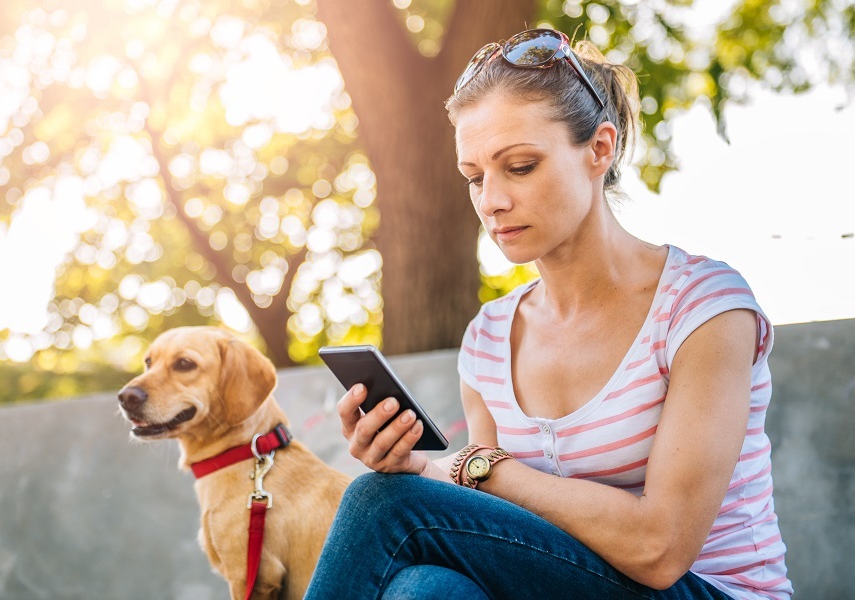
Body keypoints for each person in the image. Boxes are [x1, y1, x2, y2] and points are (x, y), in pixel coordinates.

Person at [304, 28, 792, 600]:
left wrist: (485, 468)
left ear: (599, 150)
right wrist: (421, 470)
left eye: (520, 166)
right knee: (428, 588)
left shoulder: (703, 308)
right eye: (475, 177)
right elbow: (486, 517)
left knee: (377, 504)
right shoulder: (487, 339)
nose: (491, 200)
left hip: (709, 591)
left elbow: (659, 549)